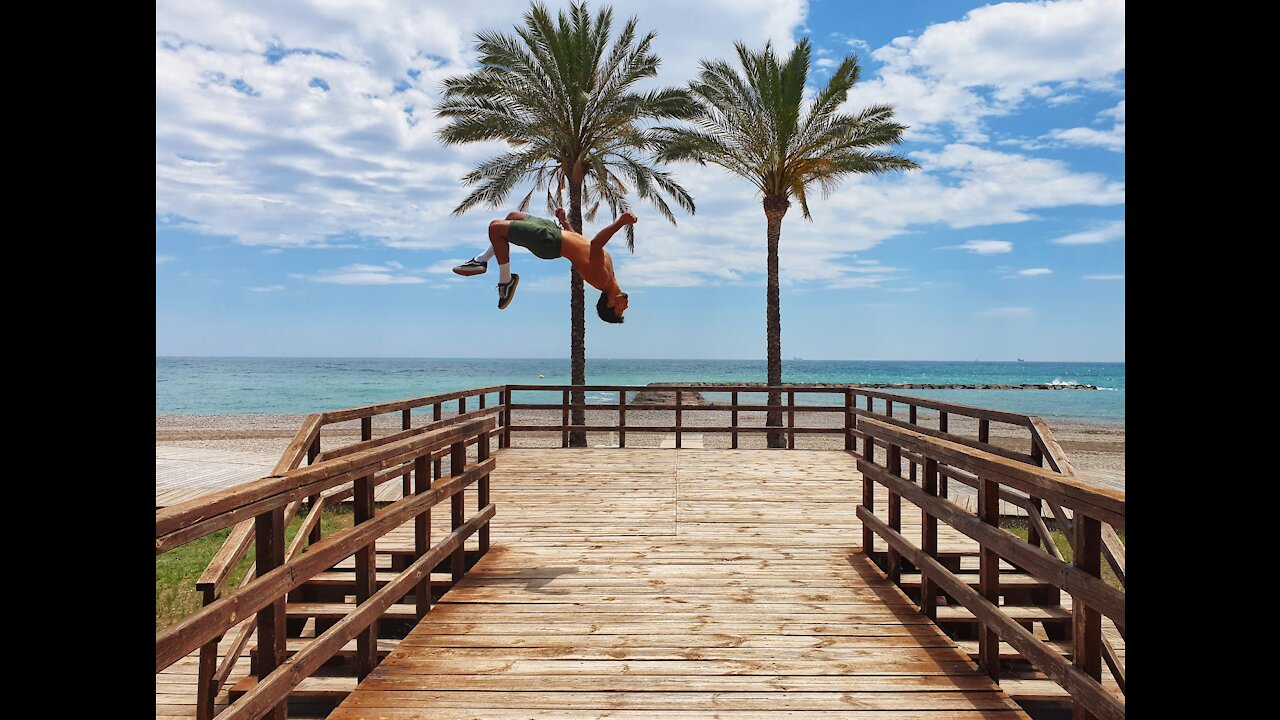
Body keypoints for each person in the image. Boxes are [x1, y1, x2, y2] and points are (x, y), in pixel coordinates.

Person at [454, 208, 634, 322]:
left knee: (495, 228)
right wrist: (564, 222)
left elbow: (595, 245)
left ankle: (505, 281)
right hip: (555, 232)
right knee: (512, 217)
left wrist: (621, 222)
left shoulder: (601, 279)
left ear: (610, 304)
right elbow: (582, 244)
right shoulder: (610, 277)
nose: (625, 307)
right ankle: (481, 260)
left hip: (549, 242)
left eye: (620, 311)